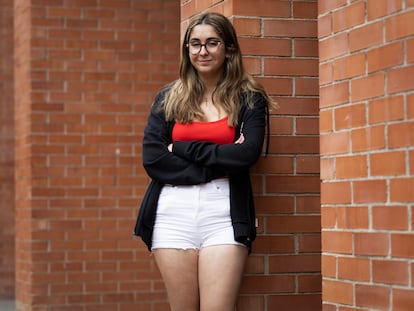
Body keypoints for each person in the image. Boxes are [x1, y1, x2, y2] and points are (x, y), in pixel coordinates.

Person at [134, 11, 275, 311]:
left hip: (223, 213)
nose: (202, 51)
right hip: (172, 213)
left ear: (229, 49)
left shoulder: (249, 98)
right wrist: (221, 160)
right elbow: (153, 159)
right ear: (187, 50)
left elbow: (247, 155)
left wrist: (181, 147)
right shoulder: (168, 98)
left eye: (212, 43)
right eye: (195, 44)